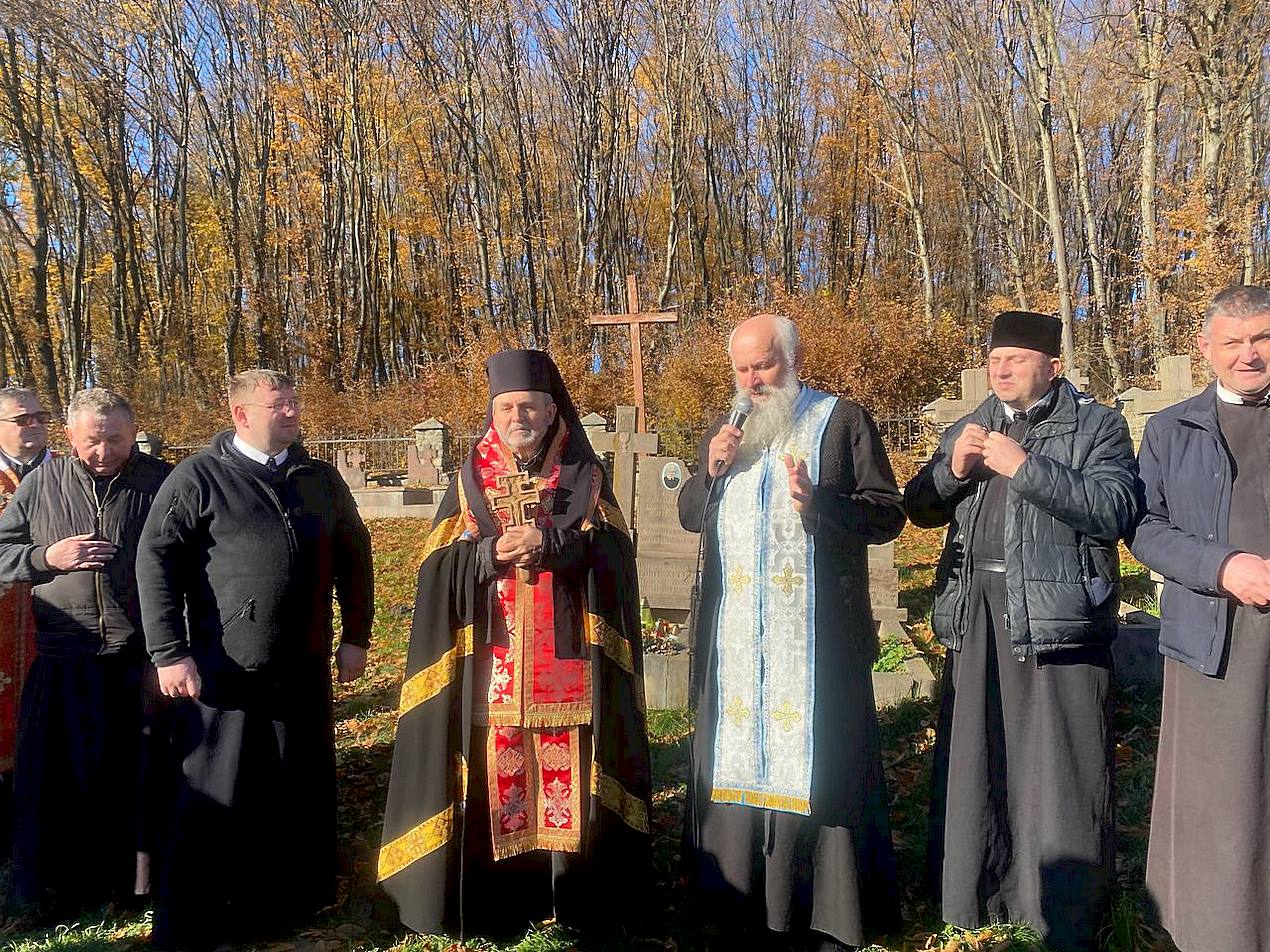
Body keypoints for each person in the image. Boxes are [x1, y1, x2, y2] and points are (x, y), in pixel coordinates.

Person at [378, 350, 651, 940]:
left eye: (529, 405)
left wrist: (553, 543)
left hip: (568, 661)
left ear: (552, 410)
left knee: (572, 777)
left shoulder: (585, 474)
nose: (517, 415)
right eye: (506, 406)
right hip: (492, 664)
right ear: (492, 412)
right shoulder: (469, 479)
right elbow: (435, 568)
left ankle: (575, 902)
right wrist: (484, 554)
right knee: (489, 772)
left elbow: (615, 560)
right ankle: (499, 904)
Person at [904, 311, 1138, 951]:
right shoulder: (972, 425)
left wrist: (1023, 466)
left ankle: (1060, 909)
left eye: (1016, 358)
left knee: (1058, 761)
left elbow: (1114, 509)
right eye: (994, 358)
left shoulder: (1096, 426)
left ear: (1053, 366)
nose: (1000, 368)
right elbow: (917, 508)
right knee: (980, 750)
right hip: (977, 606)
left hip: (1057, 613)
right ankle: (974, 894)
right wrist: (951, 470)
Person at [678, 313, 905, 952]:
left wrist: (817, 504)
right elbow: (693, 514)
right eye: (743, 368)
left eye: (765, 365)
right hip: (737, 646)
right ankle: (736, 899)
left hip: (817, 644)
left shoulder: (841, 419)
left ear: (792, 359)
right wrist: (712, 471)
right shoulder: (728, 429)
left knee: (821, 763)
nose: (753, 379)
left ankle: (823, 909)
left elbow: (887, 515)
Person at [136, 369, 373, 950]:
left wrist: (356, 636)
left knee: (293, 787)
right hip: (225, 669)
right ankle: (202, 913)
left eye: (295, 403)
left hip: (303, 665)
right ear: (241, 415)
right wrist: (169, 653)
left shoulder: (319, 478)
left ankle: (286, 903)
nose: (292, 413)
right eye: (279, 405)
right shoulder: (201, 477)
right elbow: (155, 561)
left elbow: (356, 557)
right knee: (221, 790)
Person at [1129, 286, 1270, 952]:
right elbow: (1145, 528)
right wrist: (1222, 566)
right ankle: (1212, 932)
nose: (1250, 354)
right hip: (1209, 637)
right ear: (1205, 349)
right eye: (1234, 342)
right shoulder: (1170, 428)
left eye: (1263, 338)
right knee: (1218, 800)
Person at [0, 388, 171, 916]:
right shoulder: (40, 484)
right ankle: (65, 888)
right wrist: (45, 556)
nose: (104, 452)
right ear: (70, 437)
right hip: (64, 655)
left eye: (116, 440)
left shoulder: (162, 481)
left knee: (136, 778)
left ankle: (135, 888)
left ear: (132, 429)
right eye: (93, 442)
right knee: (65, 781)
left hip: (138, 656)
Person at [0, 387, 52, 856]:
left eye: (39, 416)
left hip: (55, 626)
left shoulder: (67, 472)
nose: (32, 425)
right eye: (20, 419)